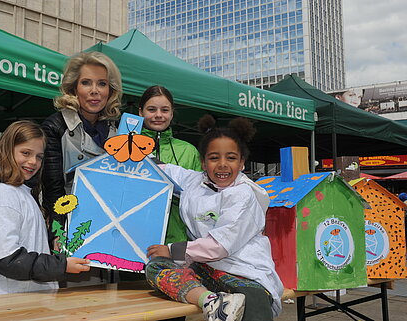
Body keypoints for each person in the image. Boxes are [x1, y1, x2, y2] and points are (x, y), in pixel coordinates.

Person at [145, 115, 283, 321]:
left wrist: (173, 250)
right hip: (206, 270)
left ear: (242, 163)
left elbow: (218, 246)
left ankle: (231, 302)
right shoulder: (195, 180)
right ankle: (212, 302)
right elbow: (165, 170)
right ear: (203, 162)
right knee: (155, 267)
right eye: (214, 157)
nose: (222, 164)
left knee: (253, 300)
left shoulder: (242, 195)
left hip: (243, 271)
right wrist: (137, 155)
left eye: (231, 157)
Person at [0, 120, 90, 296]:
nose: (33, 162)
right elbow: (8, 259)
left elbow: (27, 240)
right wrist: (61, 265)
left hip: (25, 305)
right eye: (26, 153)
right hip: (8, 307)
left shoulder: (21, 192)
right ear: (7, 150)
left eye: (39, 156)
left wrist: (51, 240)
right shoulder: (2, 196)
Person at [41, 51, 122, 244]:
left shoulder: (119, 129)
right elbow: (53, 190)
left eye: (102, 83)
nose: (95, 91)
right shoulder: (55, 126)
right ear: (74, 88)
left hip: (110, 224)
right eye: (86, 82)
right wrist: (59, 233)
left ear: (110, 90)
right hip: (71, 224)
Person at [138, 85, 202, 243]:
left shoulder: (189, 151)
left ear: (172, 113)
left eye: (165, 110)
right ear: (141, 112)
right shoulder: (126, 147)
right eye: (151, 109)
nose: (158, 115)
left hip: (178, 241)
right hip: (134, 236)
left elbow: (200, 199)